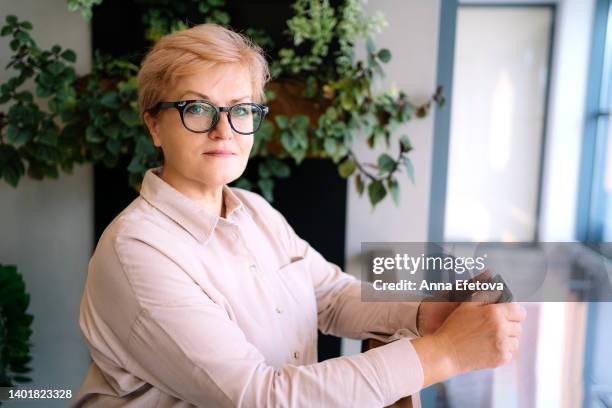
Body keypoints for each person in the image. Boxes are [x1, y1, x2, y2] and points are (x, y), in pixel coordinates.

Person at [70, 23, 525, 407]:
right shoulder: (137, 253)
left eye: (242, 109)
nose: (224, 129)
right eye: (197, 108)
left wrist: (427, 314)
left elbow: (329, 296)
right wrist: (443, 354)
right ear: (153, 123)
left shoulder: (254, 211)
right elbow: (261, 397)